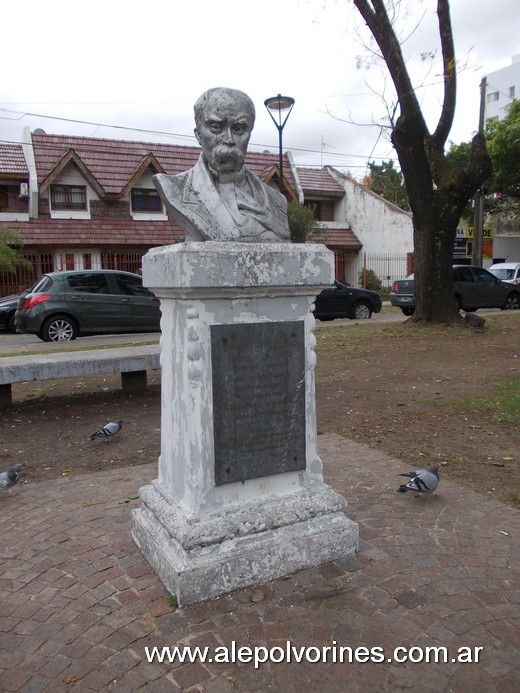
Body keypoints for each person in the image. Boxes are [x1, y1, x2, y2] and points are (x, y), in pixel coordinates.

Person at [154, 87, 291, 243]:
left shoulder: (276, 200)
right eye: (216, 128)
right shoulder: (175, 189)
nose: (229, 139)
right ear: (198, 134)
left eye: (239, 129)